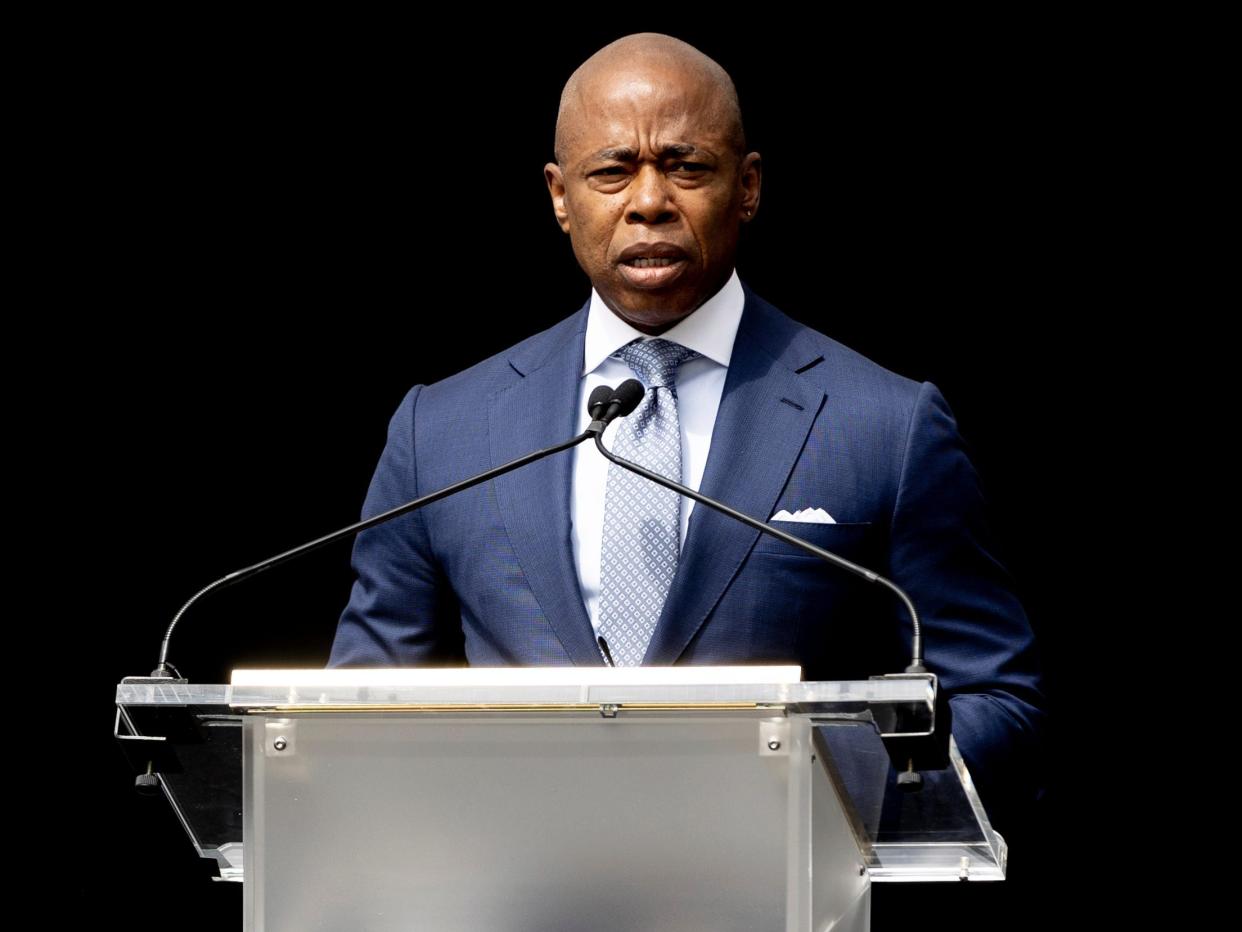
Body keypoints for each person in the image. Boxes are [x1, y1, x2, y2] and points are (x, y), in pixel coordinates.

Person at [327, 32, 1045, 827]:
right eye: (611, 171)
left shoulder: (883, 424)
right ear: (560, 196)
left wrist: (835, 798)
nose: (648, 201)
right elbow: (358, 707)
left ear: (749, 186)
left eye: (685, 165)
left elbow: (997, 699)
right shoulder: (445, 430)